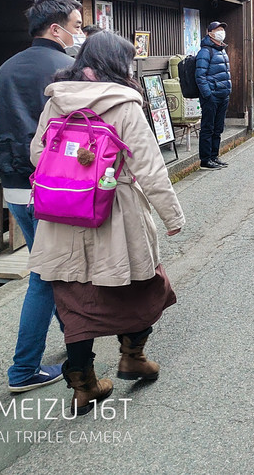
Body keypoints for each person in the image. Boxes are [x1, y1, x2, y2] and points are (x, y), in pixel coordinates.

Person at [28, 30, 185, 416]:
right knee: (144, 287)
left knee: (75, 300)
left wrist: (74, 168)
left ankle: (83, 385)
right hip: (117, 213)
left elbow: (37, 154)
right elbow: (149, 168)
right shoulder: (124, 103)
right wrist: (172, 216)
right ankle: (133, 356)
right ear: (119, 64)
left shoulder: (57, 99)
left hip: (63, 213)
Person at [0, 0, 82, 393]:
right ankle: (23, 370)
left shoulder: (5, 69)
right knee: (45, 275)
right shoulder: (69, 68)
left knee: (48, 265)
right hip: (53, 187)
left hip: (14, 186)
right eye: (77, 27)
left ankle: (74, 338)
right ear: (56, 28)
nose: (78, 34)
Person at [195, 21, 231, 169]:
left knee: (218, 127)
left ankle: (214, 156)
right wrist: (208, 95)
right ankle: (205, 160)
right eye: (218, 29)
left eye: (222, 29)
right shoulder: (205, 51)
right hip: (212, 96)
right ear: (210, 33)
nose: (221, 32)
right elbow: (200, 76)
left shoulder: (222, 50)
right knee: (208, 128)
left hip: (223, 95)